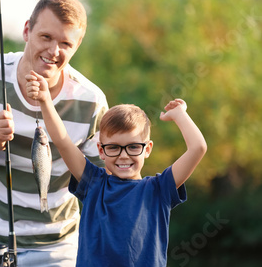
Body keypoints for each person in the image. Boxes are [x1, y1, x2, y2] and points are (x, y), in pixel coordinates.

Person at [0, 0, 108, 266]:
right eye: (46, 37)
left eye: (65, 43)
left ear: (78, 44)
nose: (54, 51)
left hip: (55, 249)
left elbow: (103, 186)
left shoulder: (90, 101)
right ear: (27, 30)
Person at [26, 70, 207, 266]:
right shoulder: (93, 184)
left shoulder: (159, 189)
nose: (123, 155)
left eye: (133, 147)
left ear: (148, 149)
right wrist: (45, 101)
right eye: (113, 147)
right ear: (101, 151)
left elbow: (198, 148)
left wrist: (180, 115)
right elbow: (63, 142)